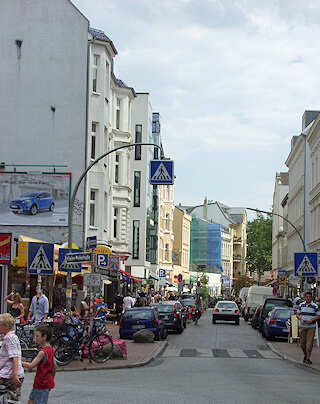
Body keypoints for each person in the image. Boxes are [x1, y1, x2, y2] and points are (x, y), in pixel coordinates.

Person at [22, 325, 57, 404]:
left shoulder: (42, 352)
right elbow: (54, 365)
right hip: (44, 382)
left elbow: (31, 365)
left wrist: (19, 363)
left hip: (41, 383)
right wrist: (51, 379)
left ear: (44, 337)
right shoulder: (50, 349)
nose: (35, 338)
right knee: (31, 401)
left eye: (37, 336)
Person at [0, 313, 24, 404]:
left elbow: (14, 357)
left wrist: (14, 375)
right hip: (10, 373)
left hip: (9, 374)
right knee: (12, 397)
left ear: (6, 326)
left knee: (13, 397)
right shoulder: (10, 338)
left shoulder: (10, 339)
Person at [296, 291, 320, 364]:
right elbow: (297, 314)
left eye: (309, 297)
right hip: (303, 326)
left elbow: (319, 315)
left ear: (311, 298)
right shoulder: (301, 305)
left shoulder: (315, 306)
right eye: (307, 297)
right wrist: (301, 319)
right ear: (305, 297)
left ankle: (308, 358)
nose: (308, 298)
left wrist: (312, 320)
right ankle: (305, 355)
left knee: (309, 343)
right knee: (302, 343)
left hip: (311, 327)